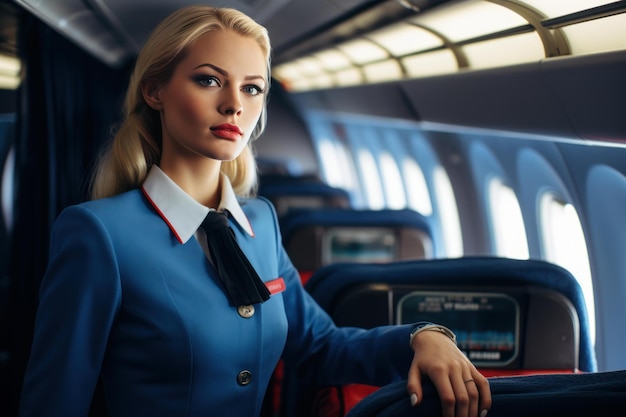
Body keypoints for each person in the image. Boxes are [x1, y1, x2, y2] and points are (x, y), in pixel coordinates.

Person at [19, 6, 491, 417]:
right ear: (155, 91)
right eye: (209, 80)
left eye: (252, 89)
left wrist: (422, 336)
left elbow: (321, 347)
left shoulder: (260, 223)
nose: (233, 105)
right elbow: (55, 402)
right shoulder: (99, 234)